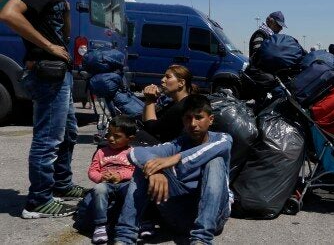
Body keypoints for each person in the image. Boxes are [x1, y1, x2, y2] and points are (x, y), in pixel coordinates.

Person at [0, 0, 88, 218]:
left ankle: (60, 184)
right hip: (47, 72)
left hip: (59, 72)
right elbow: (8, 14)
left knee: (69, 132)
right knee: (48, 138)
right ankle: (38, 201)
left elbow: (65, 34)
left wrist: (66, 11)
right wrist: (48, 46)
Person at [114, 94, 232, 244]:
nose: (193, 123)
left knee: (215, 161)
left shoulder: (223, 139)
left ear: (211, 119)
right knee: (144, 167)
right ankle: (125, 237)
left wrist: (175, 158)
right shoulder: (177, 144)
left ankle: (202, 239)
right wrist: (155, 171)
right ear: (183, 121)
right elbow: (135, 152)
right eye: (188, 118)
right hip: (179, 217)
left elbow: (219, 147)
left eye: (199, 117)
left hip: (215, 217)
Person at [85, 115, 136, 244]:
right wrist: (101, 177)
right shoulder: (101, 152)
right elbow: (92, 171)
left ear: (130, 139)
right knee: (99, 189)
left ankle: (139, 220)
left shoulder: (133, 152)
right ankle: (101, 225)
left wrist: (121, 176)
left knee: (135, 190)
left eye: (117, 136)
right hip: (106, 183)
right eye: (109, 135)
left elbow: (136, 171)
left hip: (125, 183)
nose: (111, 139)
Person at [138, 65, 196, 144]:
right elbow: (147, 121)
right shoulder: (175, 103)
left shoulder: (182, 106)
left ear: (181, 83)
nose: (162, 80)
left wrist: (150, 101)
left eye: (168, 77)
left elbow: (151, 129)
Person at [244, 11, 286, 102]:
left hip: (264, 70)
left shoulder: (271, 37)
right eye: (278, 25)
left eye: (281, 26)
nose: (281, 28)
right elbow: (257, 55)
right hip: (257, 71)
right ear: (270, 22)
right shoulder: (261, 34)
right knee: (273, 81)